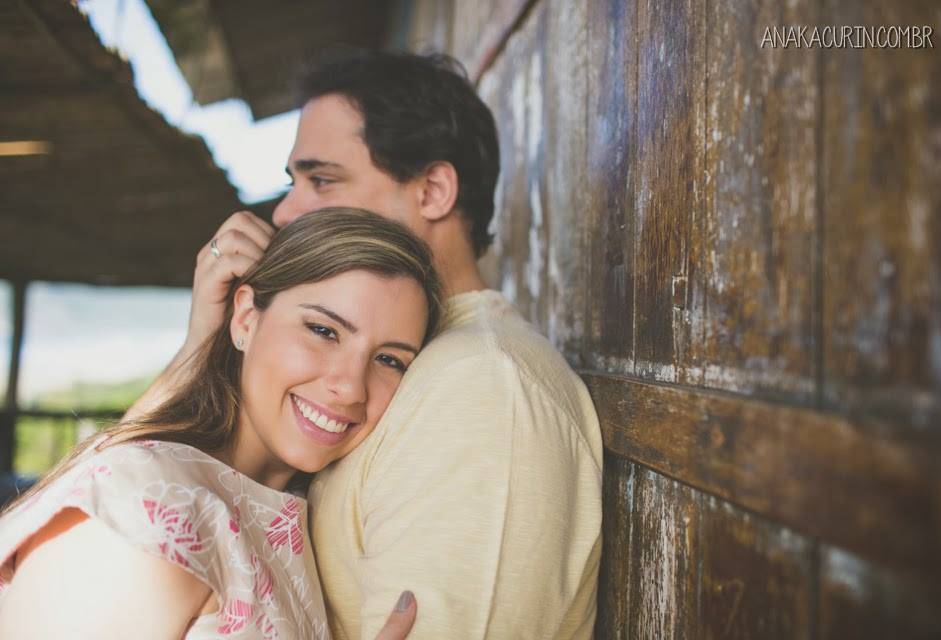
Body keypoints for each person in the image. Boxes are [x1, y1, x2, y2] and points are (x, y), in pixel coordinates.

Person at [129, 49, 604, 639]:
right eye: (293, 182)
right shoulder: (404, 366)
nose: (285, 211)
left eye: (321, 179)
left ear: (433, 190)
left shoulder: (483, 389)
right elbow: (134, 503)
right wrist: (203, 342)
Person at [0, 209, 444, 639]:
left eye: (389, 359)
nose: (351, 387)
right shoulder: (141, 508)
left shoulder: (296, 513)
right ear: (247, 318)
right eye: (323, 331)